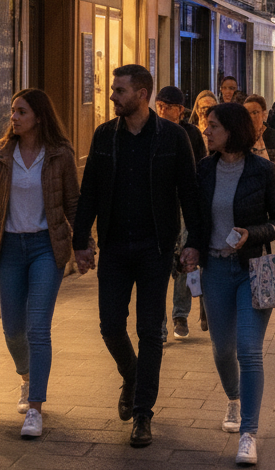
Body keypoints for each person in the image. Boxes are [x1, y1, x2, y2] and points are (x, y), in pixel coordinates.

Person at [72, 65, 202, 449]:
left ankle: (143, 412)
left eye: (120, 90)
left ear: (142, 94)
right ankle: (131, 375)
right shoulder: (104, 136)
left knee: (150, 331)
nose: (113, 96)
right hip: (113, 246)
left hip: (154, 249)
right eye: (114, 89)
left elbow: (189, 192)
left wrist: (194, 241)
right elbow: (89, 191)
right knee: (110, 326)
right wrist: (81, 240)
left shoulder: (173, 137)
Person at [180, 103, 275, 466]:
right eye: (206, 125)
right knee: (222, 349)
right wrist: (191, 248)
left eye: (213, 126)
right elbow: (196, 220)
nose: (206, 131)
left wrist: (251, 234)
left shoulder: (263, 170)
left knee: (248, 350)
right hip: (215, 270)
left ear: (232, 130)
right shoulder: (203, 170)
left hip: (252, 270)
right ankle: (233, 399)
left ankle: (248, 433)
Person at [0, 89, 79, 440]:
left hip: (46, 247)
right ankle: (26, 376)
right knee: (13, 329)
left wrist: (84, 245)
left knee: (37, 328)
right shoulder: (1, 154)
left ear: (39, 117)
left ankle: (35, 408)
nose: (13, 117)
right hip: (9, 248)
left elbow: (73, 204)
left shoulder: (60, 154)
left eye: (21, 112)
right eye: (13, 111)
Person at [155, 85, 207, 342]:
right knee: (159, 262)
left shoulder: (191, 133)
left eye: (168, 107)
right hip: (160, 206)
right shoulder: (151, 131)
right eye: (160, 106)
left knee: (185, 258)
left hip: (185, 206)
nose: (163, 110)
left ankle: (180, 315)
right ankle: (159, 324)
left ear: (181, 110)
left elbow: (200, 168)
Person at [244, 93, 275, 171]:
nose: (250, 117)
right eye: (247, 113)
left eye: (254, 113)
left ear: (264, 115)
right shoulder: (241, 139)